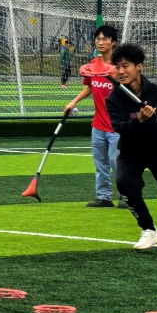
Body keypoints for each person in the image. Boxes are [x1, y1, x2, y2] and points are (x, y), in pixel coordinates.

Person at [107, 43, 157, 253]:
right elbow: (120, 127)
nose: (120, 71)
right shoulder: (114, 98)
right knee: (124, 184)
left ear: (139, 66)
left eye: (125, 66)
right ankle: (148, 229)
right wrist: (139, 120)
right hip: (131, 152)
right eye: (117, 67)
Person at [62, 25, 120, 207]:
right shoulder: (93, 65)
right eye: (98, 39)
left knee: (117, 161)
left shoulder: (121, 65)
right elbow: (89, 86)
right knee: (100, 162)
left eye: (105, 39)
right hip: (98, 124)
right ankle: (104, 197)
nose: (100, 42)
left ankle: (127, 196)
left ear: (113, 42)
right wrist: (74, 102)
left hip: (118, 125)